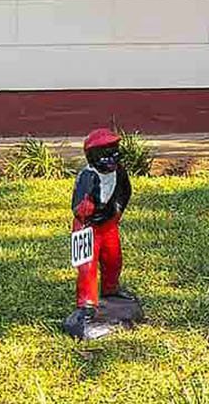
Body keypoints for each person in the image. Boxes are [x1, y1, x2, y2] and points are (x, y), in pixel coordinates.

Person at [62, 128, 133, 339]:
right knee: (88, 266)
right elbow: (79, 207)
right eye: (105, 155)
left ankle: (111, 288)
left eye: (114, 152)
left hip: (109, 225)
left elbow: (124, 192)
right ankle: (86, 305)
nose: (111, 159)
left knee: (113, 258)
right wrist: (92, 212)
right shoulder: (88, 176)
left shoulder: (119, 172)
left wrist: (115, 211)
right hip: (88, 227)